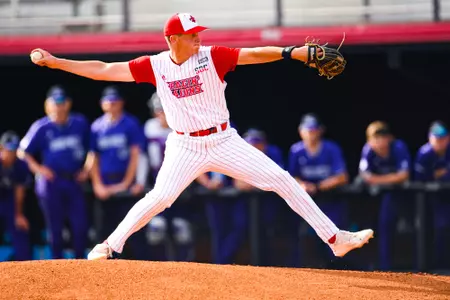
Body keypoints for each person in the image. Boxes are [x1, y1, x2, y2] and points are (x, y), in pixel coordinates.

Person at [29, 12, 373, 261]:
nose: (198, 38)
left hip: (224, 140)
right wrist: (57, 62)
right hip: (184, 145)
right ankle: (109, 245)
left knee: (281, 179)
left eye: (198, 32)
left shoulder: (212, 56)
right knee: (160, 197)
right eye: (191, 34)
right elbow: (103, 69)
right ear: (172, 39)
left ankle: (335, 238)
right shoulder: (156, 65)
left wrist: (291, 52)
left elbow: (253, 54)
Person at [18, 85, 90, 259]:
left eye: (61, 102)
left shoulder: (79, 123)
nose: (59, 106)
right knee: (55, 228)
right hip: (51, 183)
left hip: (73, 180)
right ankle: (57, 266)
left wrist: (86, 170)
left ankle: (81, 262)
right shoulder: (41, 127)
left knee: (79, 225)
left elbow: (93, 149)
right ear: (47, 105)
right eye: (54, 102)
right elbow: (22, 151)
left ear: (68, 104)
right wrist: (40, 169)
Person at [89, 85, 149, 260]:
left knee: (134, 228)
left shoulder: (130, 123)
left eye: (115, 101)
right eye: (109, 101)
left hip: (126, 187)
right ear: (102, 104)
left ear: (121, 103)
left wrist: (127, 182)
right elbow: (93, 157)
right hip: (105, 186)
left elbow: (135, 154)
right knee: (102, 229)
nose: (112, 105)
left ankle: (140, 266)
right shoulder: (97, 126)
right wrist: (97, 185)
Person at [288, 114, 349, 267]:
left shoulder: (331, 148)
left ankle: (340, 270)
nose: (311, 133)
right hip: (307, 202)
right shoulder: (296, 150)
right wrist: (303, 185)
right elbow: (290, 176)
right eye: (308, 130)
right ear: (300, 131)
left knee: (335, 239)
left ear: (320, 131)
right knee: (304, 239)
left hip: (330, 201)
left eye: (314, 130)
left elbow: (342, 176)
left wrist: (319, 186)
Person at [143, 92, 194, 261]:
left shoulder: (182, 126)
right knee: (156, 229)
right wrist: (142, 181)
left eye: (164, 110)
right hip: (158, 181)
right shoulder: (149, 127)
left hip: (181, 182)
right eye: (158, 110)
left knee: (181, 229)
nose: (161, 114)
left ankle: (186, 266)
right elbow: (142, 157)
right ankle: (158, 268)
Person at [358, 121, 411, 270]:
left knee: (389, 225)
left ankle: (388, 267)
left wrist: (378, 180)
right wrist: (389, 179)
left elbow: (404, 175)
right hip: (374, 197)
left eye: (382, 137)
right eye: (375, 138)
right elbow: (365, 176)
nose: (379, 142)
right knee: (369, 228)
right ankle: (371, 266)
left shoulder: (398, 147)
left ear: (389, 138)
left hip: (400, 196)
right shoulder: (368, 149)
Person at [414, 121, 450, 269]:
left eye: (442, 139)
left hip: (446, 198)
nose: (439, 142)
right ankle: (436, 267)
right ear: (430, 138)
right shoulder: (424, 154)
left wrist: (439, 175)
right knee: (435, 230)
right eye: (436, 139)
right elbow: (418, 179)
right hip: (428, 201)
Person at [0, 131, 32, 261]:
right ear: (1, 148)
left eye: (14, 149)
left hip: (9, 199)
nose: (12, 153)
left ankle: (24, 265)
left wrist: (18, 214)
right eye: (8, 149)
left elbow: (19, 191)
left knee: (19, 226)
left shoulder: (21, 165)